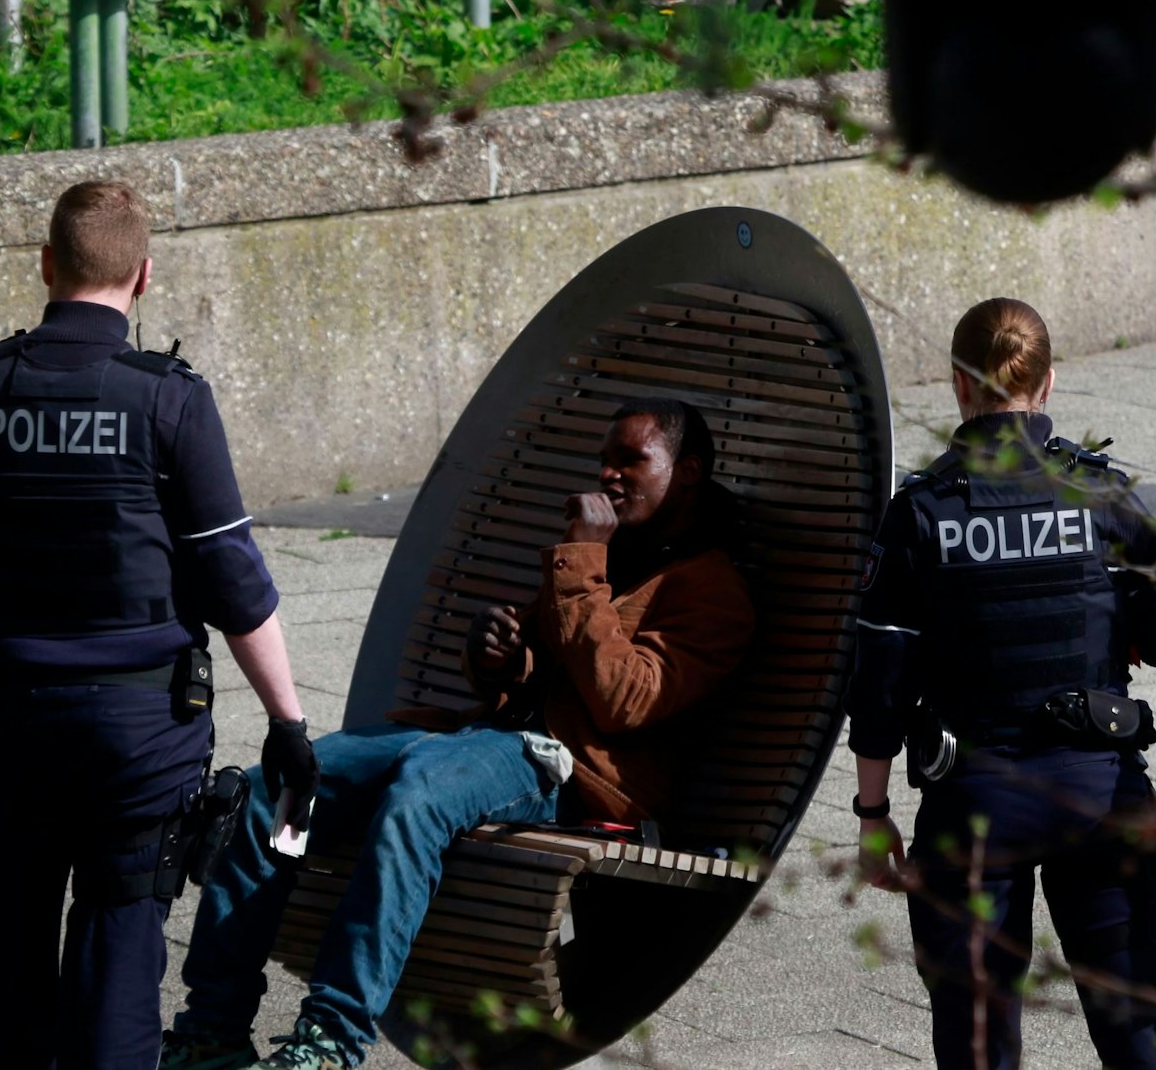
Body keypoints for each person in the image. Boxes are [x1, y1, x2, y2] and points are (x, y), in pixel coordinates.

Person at [160, 397, 755, 1070]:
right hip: (491, 742)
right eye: (605, 459)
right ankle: (213, 1026)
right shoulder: (616, 555)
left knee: (420, 795)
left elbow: (626, 702)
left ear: (688, 472)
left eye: (632, 461)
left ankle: (331, 1037)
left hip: (566, 774)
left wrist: (584, 562)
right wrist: (500, 654)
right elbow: (544, 668)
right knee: (283, 788)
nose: (610, 475)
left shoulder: (711, 591)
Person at [0, 179, 317, 1070]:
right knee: (118, 974)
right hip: (139, 742)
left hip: (13, 728)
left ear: (47, 265)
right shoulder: (169, 399)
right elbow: (236, 582)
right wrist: (287, 723)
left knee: (2, 979)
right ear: (145, 277)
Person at [848, 297, 1156, 1070]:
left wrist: (873, 815)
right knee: (1140, 1034)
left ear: (957, 384)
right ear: (1046, 386)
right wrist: (1123, 628)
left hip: (975, 803)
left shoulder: (921, 511)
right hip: (1099, 787)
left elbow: (879, 687)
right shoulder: (1103, 495)